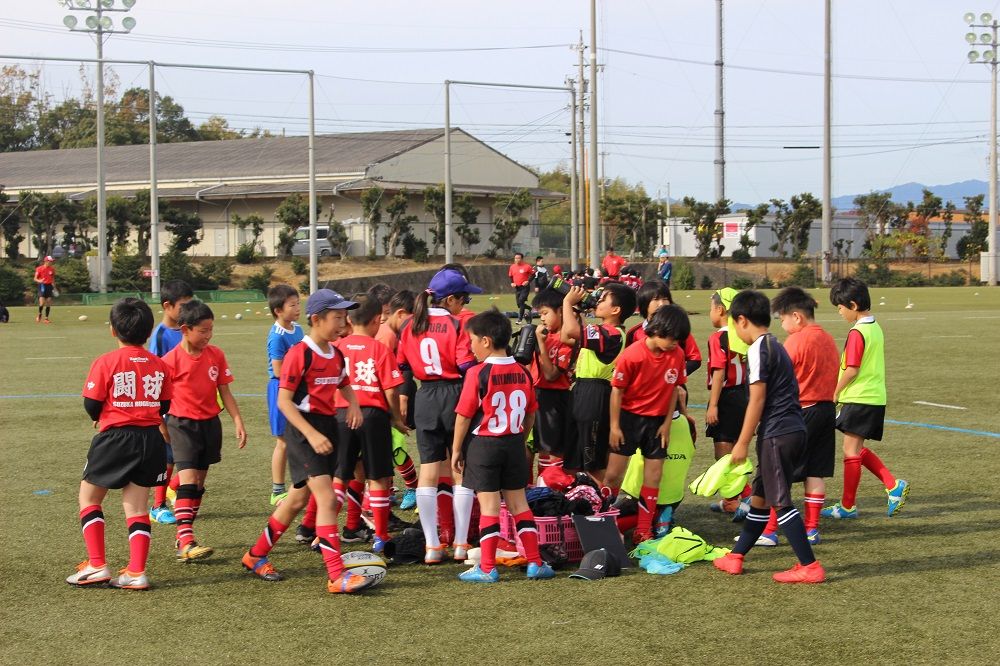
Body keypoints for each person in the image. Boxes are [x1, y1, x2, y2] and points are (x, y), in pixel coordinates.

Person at [240, 289, 374, 594]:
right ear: (316, 319)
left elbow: (344, 383)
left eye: (345, 316)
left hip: (327, 429)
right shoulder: (300, 354)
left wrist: (353, 404)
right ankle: (336, 575)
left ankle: (255, 555)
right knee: (327, 500)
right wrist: (311, 434)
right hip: (302, 431)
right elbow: (284, 402)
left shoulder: (335, 354)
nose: (343, 323)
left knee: (297, 500)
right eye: (337, 317)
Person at [712, 290, 825, 584]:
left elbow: (758, 399)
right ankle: (736, 557)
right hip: (790, 429)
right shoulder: (775, 344)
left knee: (781, 502)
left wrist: (742, 443)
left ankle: (810, 566)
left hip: (778, 432)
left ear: (741, 320)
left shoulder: (758, 349)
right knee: (761, 499)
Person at [68, 297, 172, 590]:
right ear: (149, 332)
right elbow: (164, 404)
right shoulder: (160, 365)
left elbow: (91, 403)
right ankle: (136, 572)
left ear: (113, 330)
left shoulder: (106, 362)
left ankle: (97, 565)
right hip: (151, 439)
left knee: (89, 498)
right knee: (137, 507)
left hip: (116, 437)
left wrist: (101, 415)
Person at [451, 309, 556, 582]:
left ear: (486, 341)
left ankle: (487, 568)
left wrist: (456, 449)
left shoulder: (478, 373)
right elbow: (531, 413)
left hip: (484, 445)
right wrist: (519, 439)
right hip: (513, 444)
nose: (470, 347)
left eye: (472, 340)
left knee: (489, 507)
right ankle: (535, 563)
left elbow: (463, 416)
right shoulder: (523, 371)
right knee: (519, 504)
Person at [396, 267, 480, 563]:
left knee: (429, 470)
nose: (465, 304)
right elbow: (466, 365)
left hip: (426, 397)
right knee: (459, 467)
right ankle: (460, 543)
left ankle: (432, 546)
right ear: (451, 299)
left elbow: (402, 365)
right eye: (464, 299)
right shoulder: (457, 325)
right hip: (455, 394)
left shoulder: (409, 325)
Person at [752, 287, 840, 546]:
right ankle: (812, 529)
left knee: (778, 472)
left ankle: (769, 531)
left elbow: (775, 379)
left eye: (782, 319)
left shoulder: (796, 341)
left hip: (800, 412)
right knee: (815, 471)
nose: (782, 324)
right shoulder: (828, 339)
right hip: (826, 410)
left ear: (797, 317)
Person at [161, 300, 247, 562]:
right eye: (203, 331)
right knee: (187, 481)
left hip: (209, 425)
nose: (208, 335)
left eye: (211, 330)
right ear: (185, 329)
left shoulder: (216, 355)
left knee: (198, 484)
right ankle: (186, 540)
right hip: (181, 425)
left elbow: (225, 391)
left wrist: (237, 420)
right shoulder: (170, 361)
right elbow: (157, 399)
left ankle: (183, 536)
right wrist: (161, 426)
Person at [822, 278, 909, 520]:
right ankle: (888, 487)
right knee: (854, 450)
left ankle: (852, 504)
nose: (839, 312)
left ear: (853, 305)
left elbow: (852, 369)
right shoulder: (875, 327)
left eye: (840, 307)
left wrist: (835, 391)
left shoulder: (857, 332)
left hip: (859, 397)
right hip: (872, 397)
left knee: (851, 451)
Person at [605, 304, 690, 544]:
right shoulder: (632, 354)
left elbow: (674, 389)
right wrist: (615, 426)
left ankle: (643, 530)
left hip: (657, 423)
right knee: (613, 475)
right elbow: (617, 391)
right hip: (629, 420)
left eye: (678, 341)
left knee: (654, 475)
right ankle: (604, 521)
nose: (675, 344)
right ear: (658, 330)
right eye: (672, 339)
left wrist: (666, 424)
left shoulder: (677, 354)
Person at [333, 297, 408, 553]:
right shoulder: (379, 349)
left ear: (349, 319)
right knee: (378, 477)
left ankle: (325, 534)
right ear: (377, 320)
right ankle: (381, 536)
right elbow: (391, 389)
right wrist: (396, 418)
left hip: (341, 414)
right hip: (373, 416)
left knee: (340, 477)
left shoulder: (337, 347)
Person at [560, 282, 636, 482]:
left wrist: (567, 302)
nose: (597, 302)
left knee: (592, 462)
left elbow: (572, 331)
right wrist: (576, 311)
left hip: (596, 394)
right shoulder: (601, 330)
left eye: (603, 300)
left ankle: (602, 498)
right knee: (573, 460)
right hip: (581, 390)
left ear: (616, 310)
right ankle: (578, 496)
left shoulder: (613, 333)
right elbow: (566, 336)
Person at [148, 279, 194, 525]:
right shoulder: (160, 335)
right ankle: (157, 506)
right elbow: (154, 374)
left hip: (190, 404)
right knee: (168, 456)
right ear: (167, 306)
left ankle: (174, 487)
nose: (188, 311)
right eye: (183, 306)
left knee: (196, 454)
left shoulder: (187, 329)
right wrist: (158, 416)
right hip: (170, 406)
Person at [704, 288, 751, 518]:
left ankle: (744, 498)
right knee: (736, 448)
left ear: (720, 310)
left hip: (727, 397)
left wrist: (713, 405)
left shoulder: (719, 337)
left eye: (711, 308)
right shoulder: (743, 334)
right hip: (744, 395)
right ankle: (733, 499)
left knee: (723, 452)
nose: (710, 312)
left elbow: (719, 372)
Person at [374, 288, 420, 510]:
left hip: (394, 396)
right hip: (385, 397)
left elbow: (404, 369)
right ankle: (390, 489)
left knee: (395, 446)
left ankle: (412, 487)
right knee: (386, 447)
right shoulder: (387, 334)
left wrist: (402, 398)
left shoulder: (391, 334)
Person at [528, 288, 576, 480]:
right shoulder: (544, 334)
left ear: (561, 311)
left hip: (554, 398)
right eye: (539, 314)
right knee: (539, 447)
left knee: (552, 450)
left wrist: (541, 344)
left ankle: (551, 487)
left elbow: (551, 375)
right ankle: (540, 488)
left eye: (545, 313)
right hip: (536, 395)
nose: (542, 318)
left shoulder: (566, 339)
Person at [264, 284, 303, 507]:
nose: (297, 308)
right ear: (278, 310)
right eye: (292, 305)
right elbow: (278, 370)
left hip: (297, 387)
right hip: (281, 389)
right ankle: (277, 491)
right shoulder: (277, 336)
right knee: (283, 441)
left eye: (298, 303)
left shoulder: (298, 329)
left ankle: (302, 484)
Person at [626, 280, 702, 378]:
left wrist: (674, 377)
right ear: (644, 303)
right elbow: (627, 361)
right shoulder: (634, 333)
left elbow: (695, 359)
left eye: (665, 299)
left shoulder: (678, 329)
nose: (661, 304)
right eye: (656, 299)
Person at [508, 252, 534, 324]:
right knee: (519, 304)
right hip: (517, 288)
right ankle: (529, 308)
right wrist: (512, 282)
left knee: (521, 300)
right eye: (515, 258)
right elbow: (510, 276)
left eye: (518, 258)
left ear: (522, 259)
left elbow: (533, 274)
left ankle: (519, 320)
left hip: (525, 287)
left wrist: (528, 281)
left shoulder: (527, 266)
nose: (517, 259)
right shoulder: (512, 267)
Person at [34, 255, 56, 323]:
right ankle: (39, 314)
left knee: (48, 302)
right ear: (46, 261)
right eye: (50, 261)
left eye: (52, 261)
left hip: (49, 286)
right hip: (42, 286)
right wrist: (39, 281)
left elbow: (53, 279)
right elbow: (35, 278)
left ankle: (46, 318)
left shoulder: (52, 269)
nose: (51, 262)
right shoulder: (39, 268)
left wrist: (54, 287)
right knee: (42, 303)